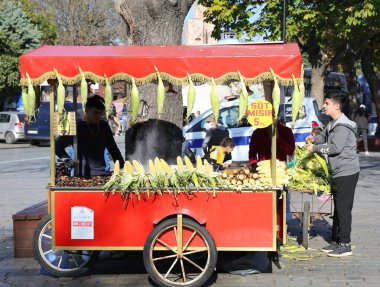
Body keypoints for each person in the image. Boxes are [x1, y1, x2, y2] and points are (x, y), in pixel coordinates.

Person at [305, 92, 359, 257]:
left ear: (337, 106)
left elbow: (335, 148)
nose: (324, 106)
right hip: (337, 172)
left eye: (326, 103)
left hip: (346, 172)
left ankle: (345, 244)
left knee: (343, 209)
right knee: (338, 209)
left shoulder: (343, 126)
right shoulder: (331, 123)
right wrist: (315, 139)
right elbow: (323, 136)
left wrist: (314, 149)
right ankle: (336, 241)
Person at [56, 95, 124, 177]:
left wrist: (123, 167)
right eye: (95, 112)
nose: (98, 116)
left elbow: (113, 149)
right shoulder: (76, 125)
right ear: (87, 110)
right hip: (80, 173)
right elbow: (57, 147)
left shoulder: (104, 126)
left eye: (101, 113)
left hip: (101, 173)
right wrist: (70, 162)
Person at [249, 121, 295, 223]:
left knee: (282, 198)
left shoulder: (286, 131)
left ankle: (284, 223)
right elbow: (252, 152)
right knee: (263, 202)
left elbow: (290, 150)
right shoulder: (257, 132)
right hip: (263, 173)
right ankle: (263, 222)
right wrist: (254, 165)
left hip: (280, 172)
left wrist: (277, 138)